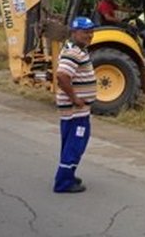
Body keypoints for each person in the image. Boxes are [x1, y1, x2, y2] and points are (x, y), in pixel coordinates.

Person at [53, 16, 97, 194]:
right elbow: (62, 76)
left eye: (91, 32)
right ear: (74, 32)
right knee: (75, 145)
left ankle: (68, 174)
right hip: (75, 110)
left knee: (71, 143)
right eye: (85, 32)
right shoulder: (73, 53)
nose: (89, 35)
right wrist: (75, 99)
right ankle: (63, 183)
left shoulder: (78, 50)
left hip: (77, 110)